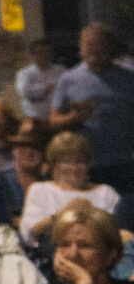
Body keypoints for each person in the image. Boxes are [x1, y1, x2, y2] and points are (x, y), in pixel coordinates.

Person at [52, 23, 134, 201]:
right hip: (86, 165)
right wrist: (75, 117)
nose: (93, 56)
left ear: (110, 49)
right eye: (88, 50)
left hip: (124, 161)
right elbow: (54, 120)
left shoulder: (128, 78)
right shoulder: (69, 79)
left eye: (99, 50)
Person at [22, 131, 117, 259]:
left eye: (80, 162)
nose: (74, 168)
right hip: (52, 258)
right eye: (66, 162)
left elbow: (116, 234)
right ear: (53, 165)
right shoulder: (40, 190)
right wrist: (63, 213)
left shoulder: (106, 192)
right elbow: (30, 233)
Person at [16, 37, 65, 122]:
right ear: (33, 55)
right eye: (40, 53)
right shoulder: (24, 73)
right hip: (34, 116)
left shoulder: (60, 70)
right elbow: (25, 91)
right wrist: (46, 88)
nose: (44, 55)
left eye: (46, 52)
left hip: (57, 116)